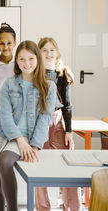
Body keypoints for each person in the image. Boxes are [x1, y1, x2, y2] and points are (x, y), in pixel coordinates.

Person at [0, 40, 57, 211]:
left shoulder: (49, 86)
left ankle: (13, 209)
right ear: (16, 61)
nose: (26, 64)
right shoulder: (10, 84)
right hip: (5, 135)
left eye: (31, 58)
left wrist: (33, 145)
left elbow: (45, 119)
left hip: (28, 136)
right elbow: (5, 116)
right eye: (22, 59)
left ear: (38, 59)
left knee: (5, 162)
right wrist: (19, 140)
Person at [35, 37, 80, 211]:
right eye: (44, 50)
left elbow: (67, 105)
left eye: (52, 50)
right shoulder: (34, 74)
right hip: (39, 122)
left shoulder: (62, 75)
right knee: (39, 165)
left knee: (67, 162)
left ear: (57, 53)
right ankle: (42, 207)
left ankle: (72, 206)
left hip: (57, 120)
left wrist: (69, 131)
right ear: (39, 53)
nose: (48, 53)